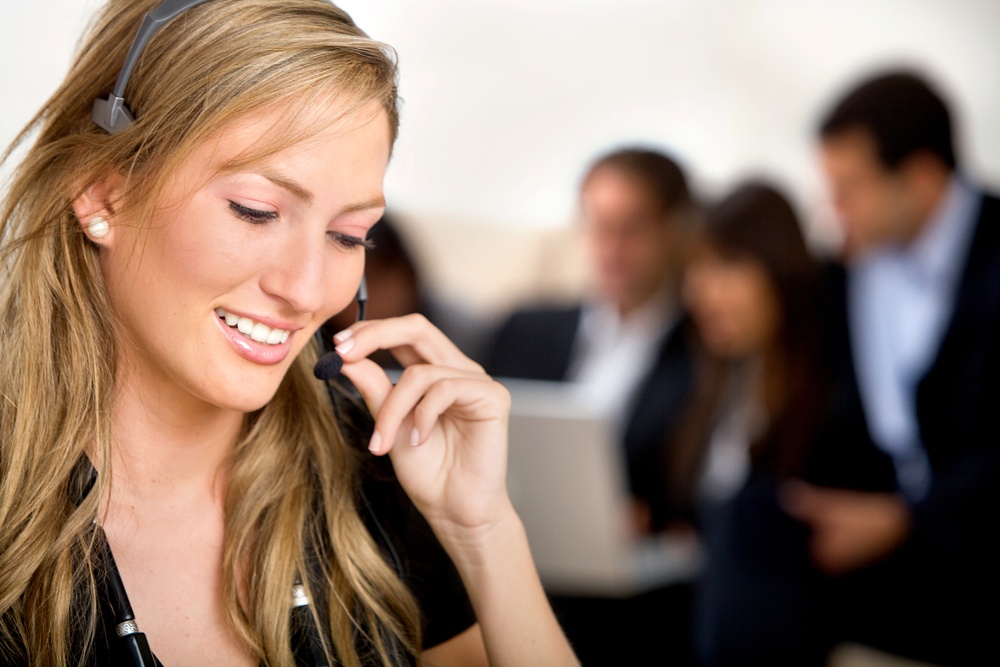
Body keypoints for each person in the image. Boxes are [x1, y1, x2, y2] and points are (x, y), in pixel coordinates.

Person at [0, 1, 580, 666]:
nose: (308, 292)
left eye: (348, 235)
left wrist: (483, 531)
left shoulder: (373, 465)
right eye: (256, 212)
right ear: (103, 196)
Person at [782, 69, 1000, 665]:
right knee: (748, 526)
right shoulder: (844, 270)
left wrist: (907, 520)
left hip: (976, 540)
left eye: (849, 189)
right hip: (870, 542)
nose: (834, 212)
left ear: (922, 178)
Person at [484, 146, 701, 665]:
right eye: (598, 226)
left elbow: (700, 488)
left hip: (628, 590)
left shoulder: (703, 358)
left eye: (633, 227)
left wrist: (650, 517)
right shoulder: (524, 328)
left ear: (674, 231)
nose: (612, 247)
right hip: (510, 546)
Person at [677, 181, 830, 667]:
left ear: (779, 269)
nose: (702, 291)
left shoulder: (831, 389)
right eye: (696, 269)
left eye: (727, 266)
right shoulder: (713, 379)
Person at [322, 211, 491, 368]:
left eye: (382, 284)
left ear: (407, 276)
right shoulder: (315, 337)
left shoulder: (457, 330)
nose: (378, 303)